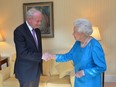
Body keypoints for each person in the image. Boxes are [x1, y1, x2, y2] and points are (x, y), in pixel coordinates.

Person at [42, 18, 107, 87]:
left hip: (90, 82)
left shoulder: (94, 46)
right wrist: (51, 56)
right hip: (79, 81)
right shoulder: (77, 43)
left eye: (74, 31)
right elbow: (68, 56)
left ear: (82, 33)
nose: (72, 34)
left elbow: (102, 67)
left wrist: (84, 72)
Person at [14, 8, 43, 87]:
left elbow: (37, 49)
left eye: (41, 20)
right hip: (25, 71)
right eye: (37, 21)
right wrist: (42, 56)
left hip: (36, 69)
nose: (39, 23)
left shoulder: (37, 31)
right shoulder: (19, 31)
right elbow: (22, 53)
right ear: (29, 19)